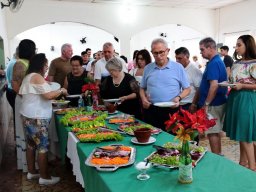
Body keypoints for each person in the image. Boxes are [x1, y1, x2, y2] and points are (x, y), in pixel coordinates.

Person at [19, 53, 67, 185]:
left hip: (28, 115)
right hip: (37, 117)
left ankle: (32, 172)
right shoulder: (37, 76)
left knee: (31, 145)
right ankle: (44, 177)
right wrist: (62, 90)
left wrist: (47, 84)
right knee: (42, 147)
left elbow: (35, 92)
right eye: (46, 64)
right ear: (41, 65)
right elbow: (49, 96)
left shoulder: (29, 76)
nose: (46, 67)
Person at [139, 38, 190, 130]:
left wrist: (178, 98)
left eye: (161, 52)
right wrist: (143, 99)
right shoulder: (148, 68)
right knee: (152, 136)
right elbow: (142, 88)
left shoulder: (178, 67)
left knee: (171, 138)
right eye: (155, 53)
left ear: (168, 51)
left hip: (172, 110)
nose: (158, 56)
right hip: (152, 109)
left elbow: (187, 89)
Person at [223, 35, 256, 171]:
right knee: (241, 134)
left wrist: (243, 86)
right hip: (235, 97)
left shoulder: (254, 63)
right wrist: (229, 83)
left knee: (246, 134)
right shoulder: (237, 63)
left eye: (239, 45)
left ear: (247, 45)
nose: (236, 48)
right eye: (235, 45)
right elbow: (234, 80)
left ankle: (252, 168)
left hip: (247, 98)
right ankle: (243, 164)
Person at [197, 37, 227, 155]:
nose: (201, 52)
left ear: (210, 48)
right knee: (214, 131)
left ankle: (217, 157)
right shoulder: (217, 60)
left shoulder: (214, 63)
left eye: (202, 49)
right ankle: (218, 154)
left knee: (212, 132)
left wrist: (206, 104)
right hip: (217, 101)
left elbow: (214, 86)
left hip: (213, 104)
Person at [12, 39, 37, 172]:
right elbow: (16, 86)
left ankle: (35, 164)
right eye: (34, 49)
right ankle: (27, 166)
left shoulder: (29, 63)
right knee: (26, 132)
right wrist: (30, 96)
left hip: (29, 100)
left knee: (32, 133)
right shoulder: (19, 64)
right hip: (23, 101)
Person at [175, 47, 202, 113]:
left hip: (188, 104)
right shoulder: (178, 68)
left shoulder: (195, 70)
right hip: (177, 103)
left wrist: (194, 104)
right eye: (176, 58)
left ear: (187, 57)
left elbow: (199, 89)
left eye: (179, 58)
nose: (177, 61)